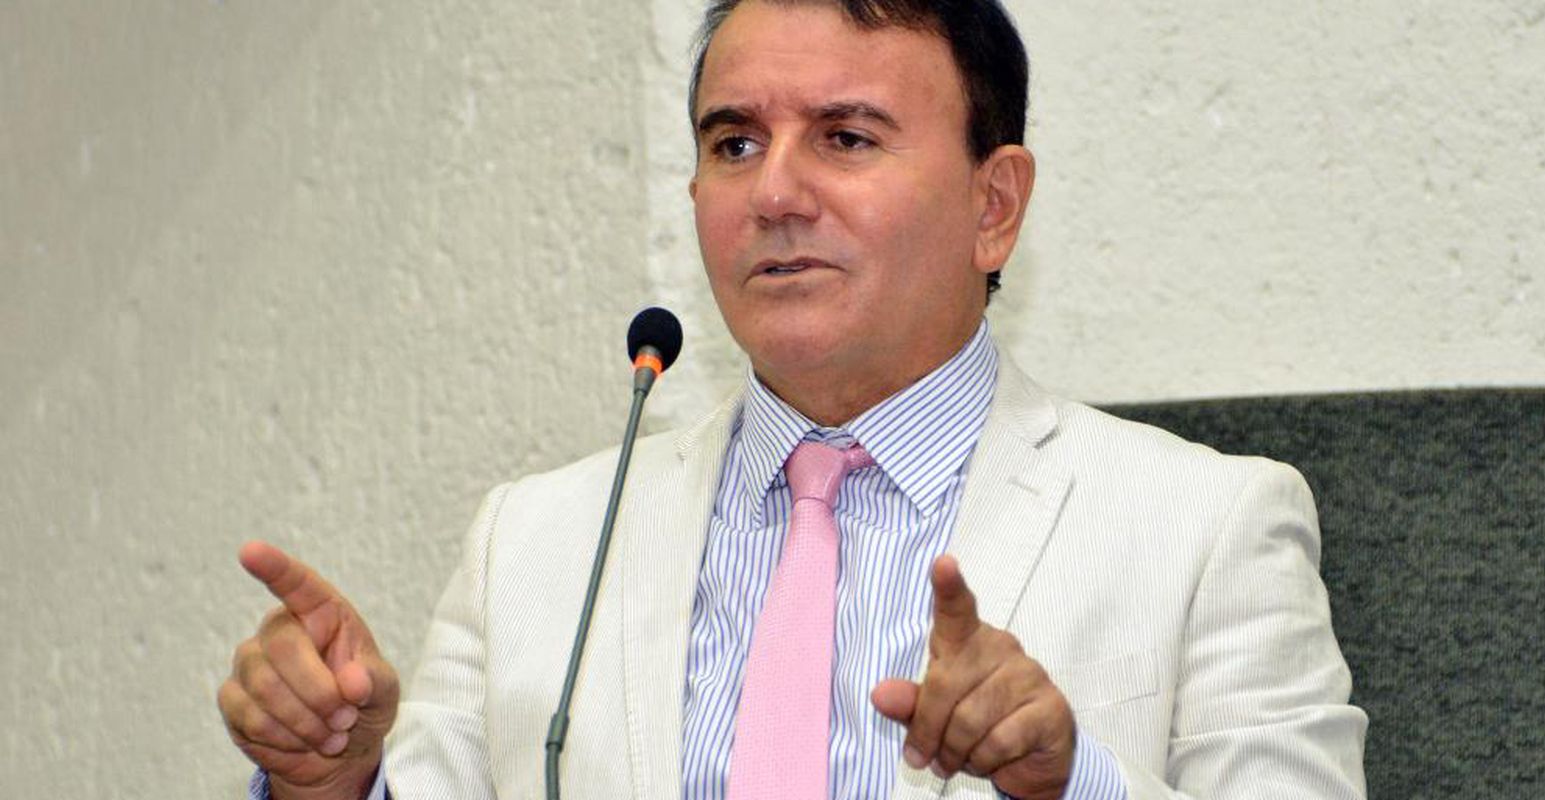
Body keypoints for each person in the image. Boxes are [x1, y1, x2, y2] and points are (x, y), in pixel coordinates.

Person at [218, 1, 1369, 798]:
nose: (773, 192)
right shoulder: (534, 542)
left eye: (844, 137)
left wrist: (1071, 778)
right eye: (733, 143)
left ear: (994, 206)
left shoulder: (1206, 526)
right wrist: (334, 778)